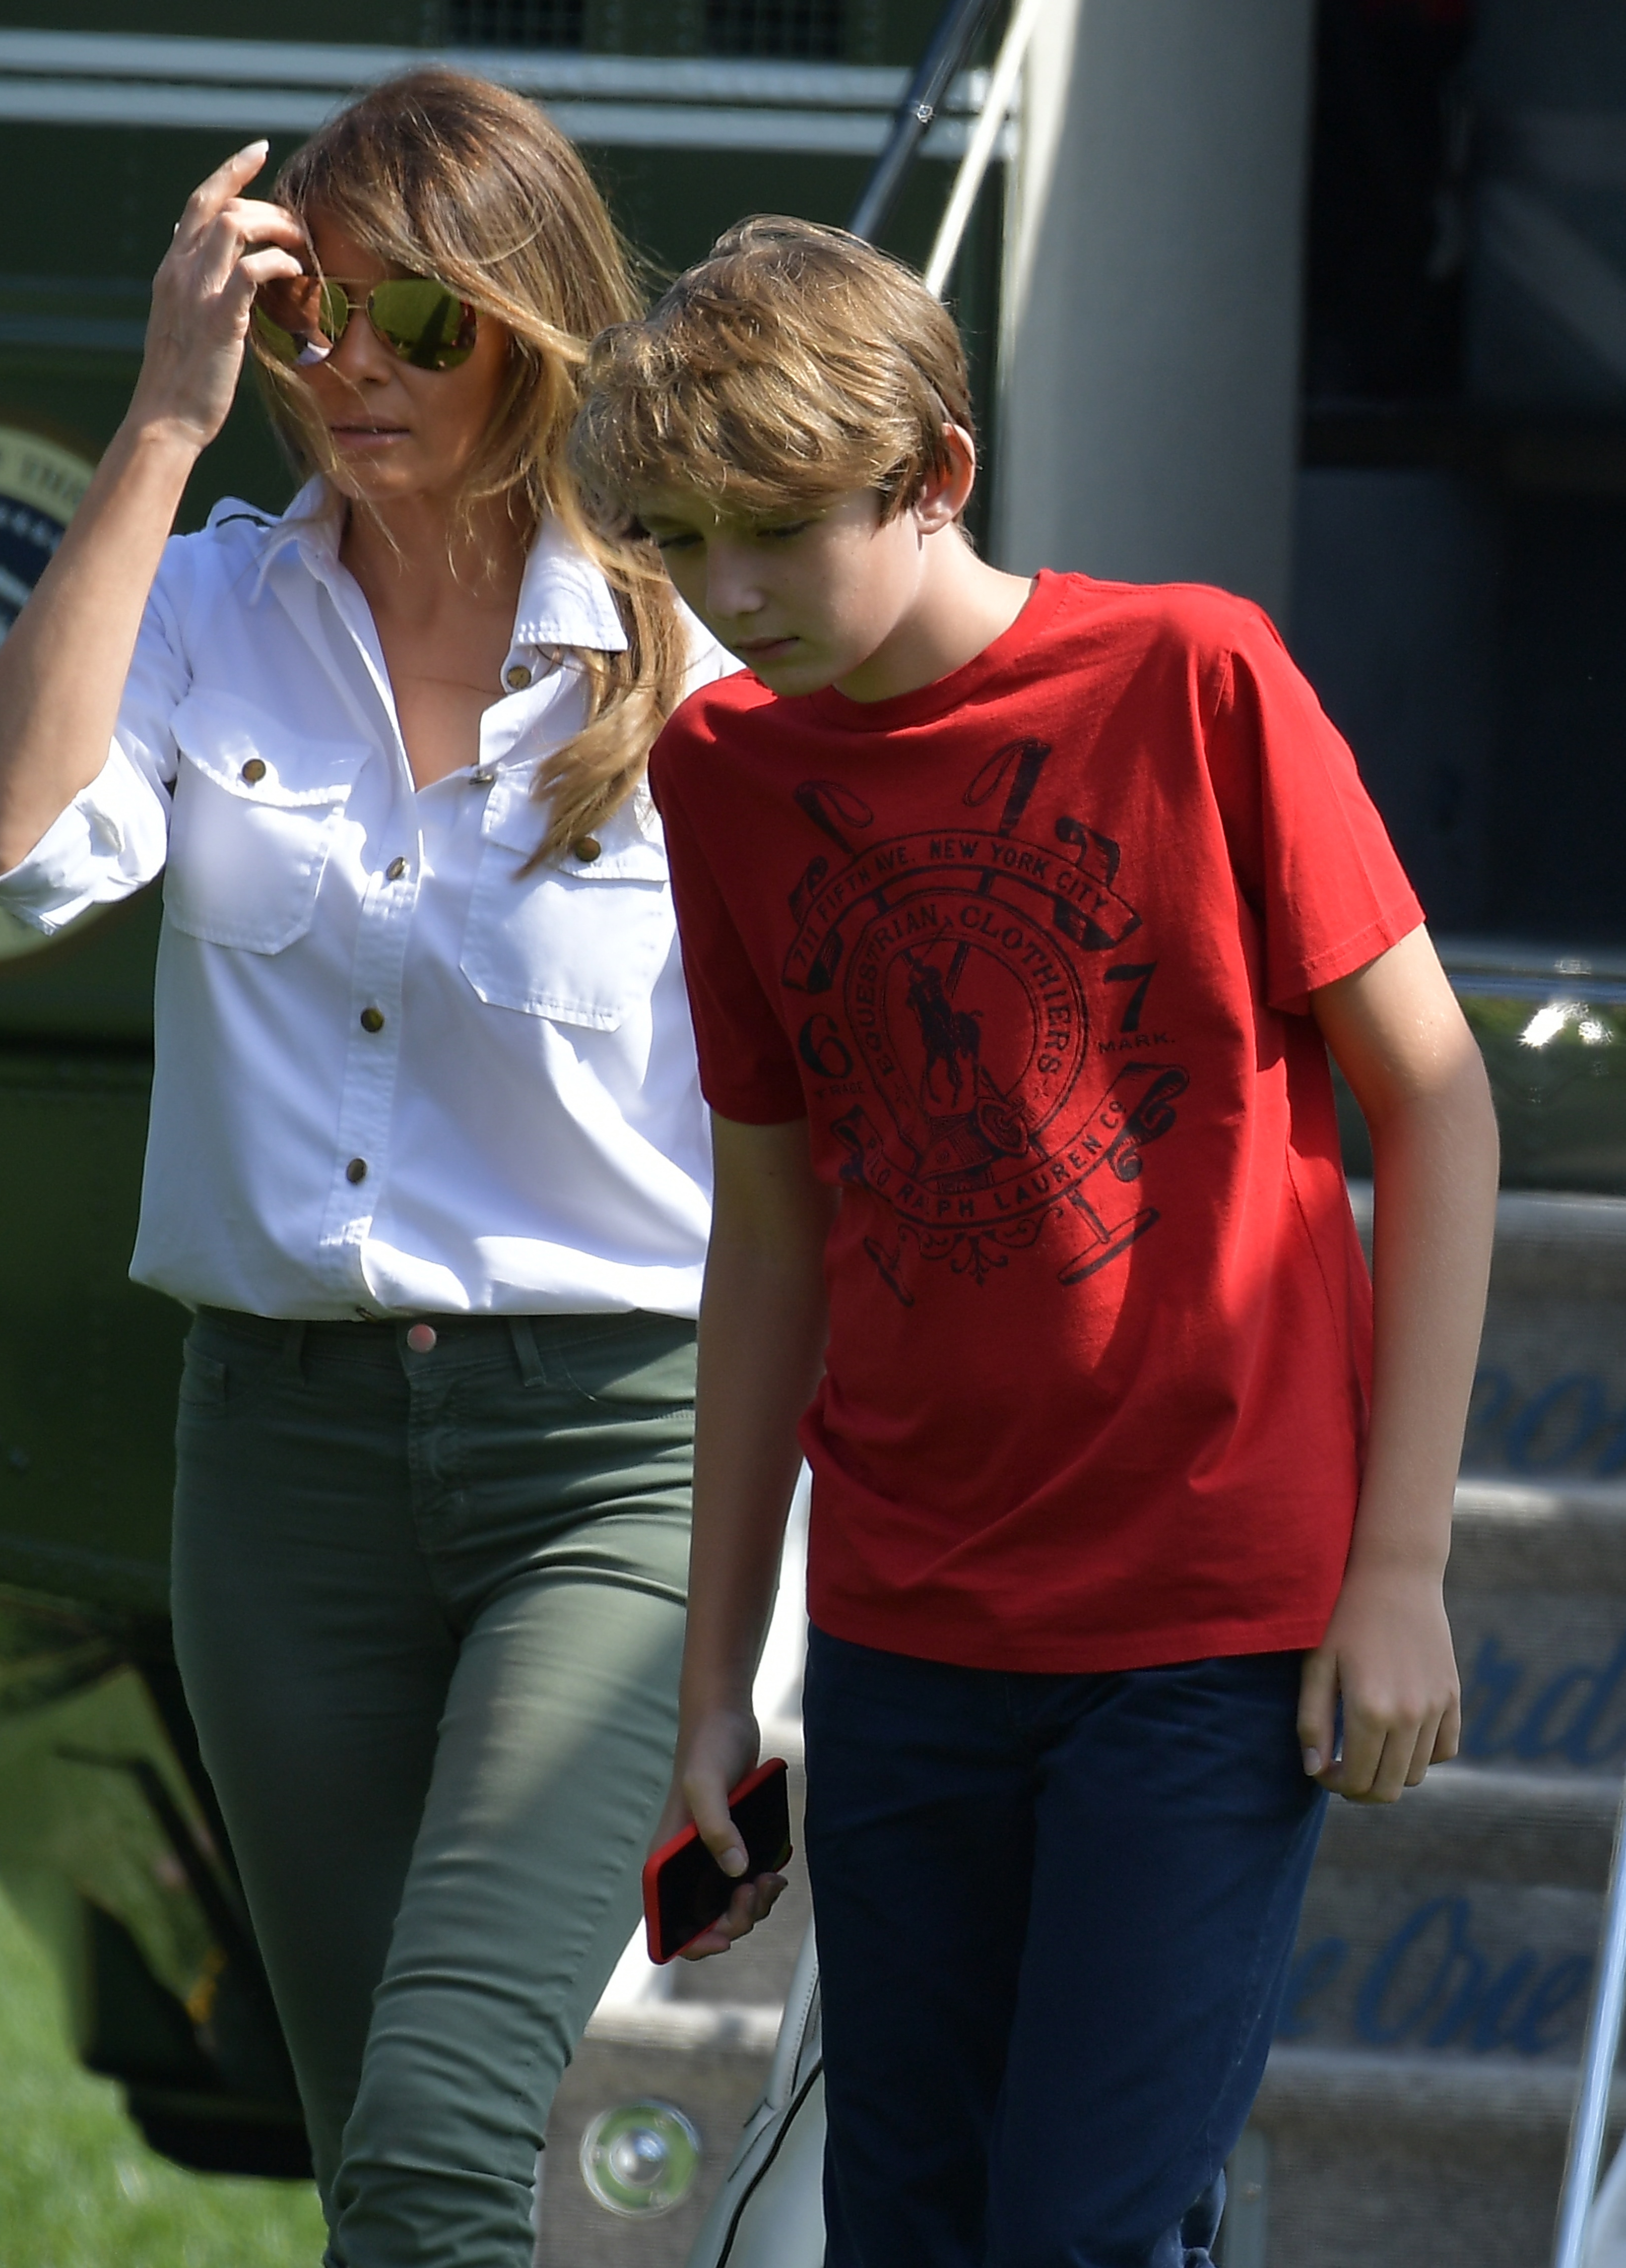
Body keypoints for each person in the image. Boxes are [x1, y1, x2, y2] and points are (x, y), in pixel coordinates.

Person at [570, 216, 1499, 2267]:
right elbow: (771, 1237)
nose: (723, 594)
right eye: (676, 537)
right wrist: (719, 1681)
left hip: (1203, 1621)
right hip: (904, 1634)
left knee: (1084, 2230)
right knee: (906, 2220)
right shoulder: (721, 770)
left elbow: (1435, 1098)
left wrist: (1404, 1563)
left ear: (936, 474)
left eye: (774, 530)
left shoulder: (1195, 673)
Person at [0, 72, 746, 2268]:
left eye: (417, 314)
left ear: (535, 325)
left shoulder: (696, 665)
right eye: (315, 315)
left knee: (433, 2139)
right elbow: (6, 851)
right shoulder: (200, 599)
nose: (355, 365)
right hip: (273, 1464)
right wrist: (156, 425)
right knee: (378, 2169)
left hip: (610, 1462)